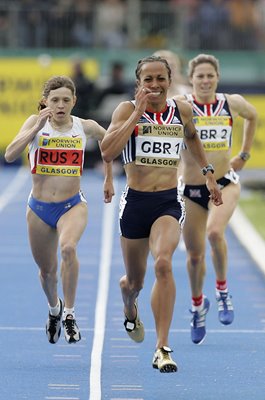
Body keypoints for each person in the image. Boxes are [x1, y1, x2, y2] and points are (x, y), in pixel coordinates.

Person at [101, 55, 222, 372]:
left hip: (169, 201)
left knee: (165, 263)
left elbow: (193, 138)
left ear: (169, 81)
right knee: (135, 282)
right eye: (148, 80)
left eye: (160, 79)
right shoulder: (127, 110)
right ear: (139, 83)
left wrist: (208, 172)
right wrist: (137, 115)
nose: (155, 85)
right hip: (136, 204)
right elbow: (107, 151)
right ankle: (129, 302)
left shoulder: (181, 110)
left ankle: (162, 348)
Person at [4, 75, 114, 345]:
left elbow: (109, 141)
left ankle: (70, 315)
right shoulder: (35, 123)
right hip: (39, 208)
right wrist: (35, 128)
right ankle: (55, 308)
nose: (61, 105)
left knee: (68, 249)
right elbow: (9, 154)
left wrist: (109, 176)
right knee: (47, 273)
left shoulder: (84, 126)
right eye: (55, 100)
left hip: (72, 204)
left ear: (74, 101)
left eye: (66, 100)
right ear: (45, 102)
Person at [175, 54, 257, 345]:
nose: (206, 81)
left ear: (217, 78)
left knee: (214, 232)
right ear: (192, 79)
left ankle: (223, 292)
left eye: (210, 76)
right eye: (200, 76)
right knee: (194, 256)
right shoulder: (182, 106)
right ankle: (198, 306)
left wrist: (244, 154)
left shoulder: (230, 102)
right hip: (191, 190)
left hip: (224, 183)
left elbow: (253, 116)